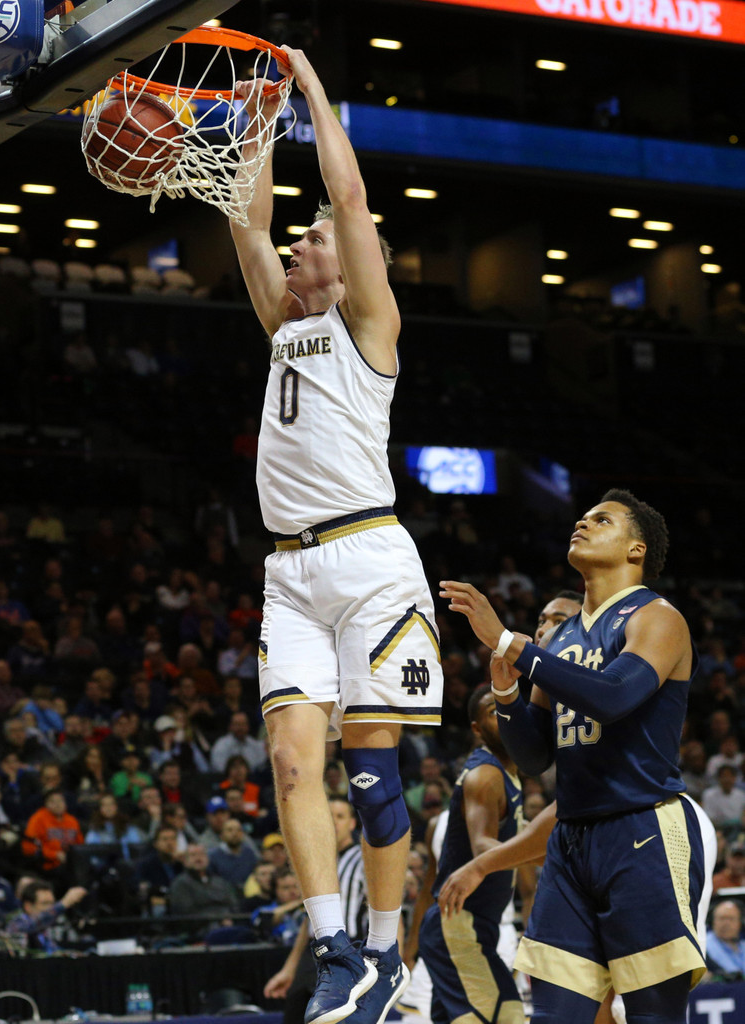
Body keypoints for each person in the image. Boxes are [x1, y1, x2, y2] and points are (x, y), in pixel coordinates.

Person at [229, 46, 443, 1024]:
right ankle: (333, 948)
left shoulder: (370, 318)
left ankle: (388, 950)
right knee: (288, 762)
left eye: (312, 238)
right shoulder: (283, 319)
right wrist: (258, 120)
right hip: (290, 572)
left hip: (368, 559)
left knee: (372, 767)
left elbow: (350, 202)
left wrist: (311, 92)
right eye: (301, 238)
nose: (301, 244)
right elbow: (244, 217)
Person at [439, 489, 711, 1023]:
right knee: (554, 1016)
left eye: (601, 520)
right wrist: (508, 694)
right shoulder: (562, 636)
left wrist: (513, 646)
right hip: (570, 843)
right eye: (582, 519)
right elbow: (535, 755)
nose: (582, 524)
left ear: (635, 550)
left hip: (642, 831)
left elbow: (612, 698)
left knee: (653, 1014)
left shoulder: (657, 616)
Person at [414, 687, 525, 1024]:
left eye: (511, 706)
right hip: (460, 927)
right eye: (494, 711)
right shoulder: (485, 776)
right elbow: (483, 848)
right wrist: (559, 856)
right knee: (507, 1017)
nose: (506, 716)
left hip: (474, 927)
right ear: (477, 729)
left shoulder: (508, 771)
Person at [264, 796, 369, 1024]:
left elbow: (389, 915)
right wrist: (289, 969)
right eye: (328, 816)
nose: (333, 821)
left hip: (349, 948)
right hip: (312, 952)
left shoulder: (363, 859)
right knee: (295, 1013)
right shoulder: (317, 861)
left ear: (352, 824)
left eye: (340, 816)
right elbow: (308, 920)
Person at [5, 880, 87, 953]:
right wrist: (62, 904)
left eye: (52, 903)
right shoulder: (17, 923)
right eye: (45, 903)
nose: (50, 908)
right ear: (28, 906)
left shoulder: (55, 922)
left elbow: (68, 946)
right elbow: (31, 925)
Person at [704, 899, 745, 980]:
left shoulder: (742, 945)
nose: (726, 924)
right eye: (722, 918)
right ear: (713, 921)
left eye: (731, 919)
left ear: (740, 923)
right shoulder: (703, 945)